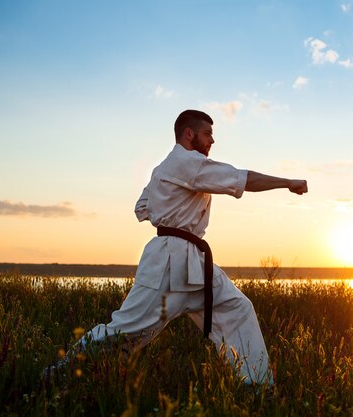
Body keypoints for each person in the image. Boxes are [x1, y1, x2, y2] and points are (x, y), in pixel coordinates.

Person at [78, 109, 307, 385]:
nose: (212, 140)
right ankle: (64, 372)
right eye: (208, 133)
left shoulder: (162, 169)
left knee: (237, 308)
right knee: (128, 330)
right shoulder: (188, 162)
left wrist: (170, 208)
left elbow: (142, 208)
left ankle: (256, 387)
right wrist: (287, 183)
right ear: (189, 134)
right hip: (169, 260)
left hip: (194, 262)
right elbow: (242, 179)